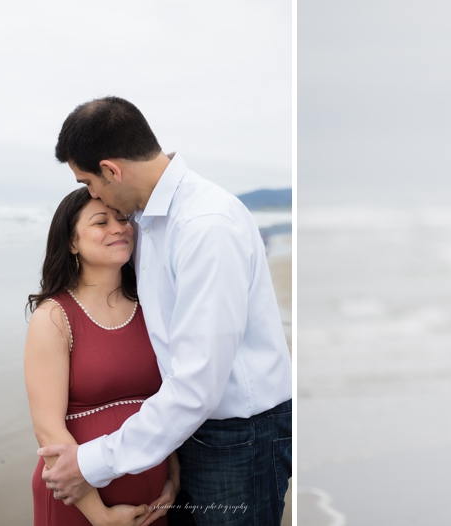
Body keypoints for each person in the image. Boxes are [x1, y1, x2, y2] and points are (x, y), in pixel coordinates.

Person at [36, 96, 293, 525]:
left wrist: (92, 462)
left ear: (111, 170)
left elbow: (197, 384)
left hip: (238, 439)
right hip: (183, 432)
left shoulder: (205, 225)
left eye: (88, 182)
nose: (92, 194)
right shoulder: (144, 221)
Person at [25, 189, 177, 526]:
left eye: (122, 218)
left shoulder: (152, 306)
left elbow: (174, 401)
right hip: (80, 507)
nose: (119, 228)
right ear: (72, 242)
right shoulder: (53, 317)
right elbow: (48, 432)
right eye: (101, 222)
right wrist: (102, 517)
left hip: (153, 504)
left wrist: (172, 477)